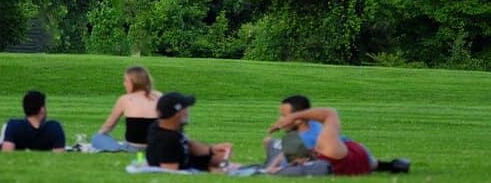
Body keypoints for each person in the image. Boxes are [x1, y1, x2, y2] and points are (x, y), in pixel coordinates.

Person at [268, 104, 410, 175]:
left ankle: (391, 165)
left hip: (350, 156)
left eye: (283, 115)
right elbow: (330, 113)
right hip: (351, 158)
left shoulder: (318, 141)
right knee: (370, 164)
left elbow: (329, 114)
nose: (281, 119)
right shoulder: (320, 144)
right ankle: (393, 165)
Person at [146, 92, 236, 172]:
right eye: (186, 108)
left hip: (194, 162)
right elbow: (170, 173)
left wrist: (211, 149)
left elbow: (187, 144)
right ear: (178, 113)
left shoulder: (165, 127)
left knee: (225, 161)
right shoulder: (168, 140)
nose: (188, 111)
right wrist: (214, 172)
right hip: (191, 167)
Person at [92, 65, 161, 152]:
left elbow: (108, 126)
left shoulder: (125, 99)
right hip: (155, 146)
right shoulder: (159, 96)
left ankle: (118, 147)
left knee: (96, 137)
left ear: (134, 82)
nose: (124, 84)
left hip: (132, 147)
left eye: (126, 81)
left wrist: (100, 135)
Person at [263, 96, 324, 173]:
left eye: (284, 116)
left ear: (298, 119)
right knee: (269, 141)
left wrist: (271, 167)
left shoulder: (307, 140)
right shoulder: (313, 123)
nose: (280, 120)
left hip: (296, 158)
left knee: (271, 143)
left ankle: (266, 165)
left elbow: (286, 154)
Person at [0, 90, 66, 152]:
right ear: (42, 109)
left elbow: (6, 152)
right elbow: (60, 153)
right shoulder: (54, 128)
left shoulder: (13, 126)